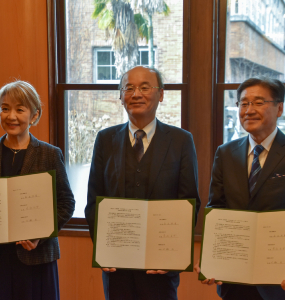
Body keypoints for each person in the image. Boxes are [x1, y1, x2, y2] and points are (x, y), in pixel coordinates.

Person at [85, 66, 201, 300]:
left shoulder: (181, 140)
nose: (136, 94)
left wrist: (173, 256)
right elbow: (94, 201)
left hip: (160, 269)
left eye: (145, 87)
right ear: (120, 96)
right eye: (128, 88)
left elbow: (189, 202)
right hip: (116, 268)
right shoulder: (105, 139)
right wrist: (104, 251)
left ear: (161, 94)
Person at [195, 77, 285, 300]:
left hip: (278, 281)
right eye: (243, 104)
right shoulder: (225, 153)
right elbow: (217, 207)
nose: (249, 110)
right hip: (233, 280)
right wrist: (211, 259)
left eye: (258, 102)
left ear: (280, 108)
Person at [0, 80, 75, 299]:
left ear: (35, 115)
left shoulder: (50, 154)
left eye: (20, 109)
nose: (11, 116)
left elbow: (66, 203)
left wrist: (40, 235)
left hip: (37, 258)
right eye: (5, 108)